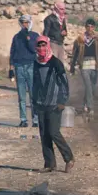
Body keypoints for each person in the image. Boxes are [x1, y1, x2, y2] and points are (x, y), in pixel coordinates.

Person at [32, 36, 75, 173]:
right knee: (44, 134)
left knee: (53, 132)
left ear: (48, 46)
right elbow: (35, 83)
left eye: (44, 45)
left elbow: (64, 82)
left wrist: (62, 101)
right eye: (39, 45)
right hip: (41, 103)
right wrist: (34, 101)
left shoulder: (56, 63)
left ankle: (69, 158)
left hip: (55, 103)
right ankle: (49, 164)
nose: (41, 48)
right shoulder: (36, 63)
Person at [70, 18, 98, 118]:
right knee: (88, 86)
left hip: (94, 65)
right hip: (84, 65)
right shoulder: (80, 39)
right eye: (88, 26)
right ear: (85, 27)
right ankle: (91, 108)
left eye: (91, 26)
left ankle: (85, 105)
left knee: (93, 87)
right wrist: (72, 67)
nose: (89, 28)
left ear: (94, 27)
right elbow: (74, 54)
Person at [9, 15, 39, 128]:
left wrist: (28, 39)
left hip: (31, 66)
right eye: (23, 23)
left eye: (27, 22)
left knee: (33, 95)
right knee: (21, 96)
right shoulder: (16, 37)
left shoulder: (35, 36)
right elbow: (12, 53)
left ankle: (35, 119)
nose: (25, 25)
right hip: (19, 67)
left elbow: (34, 49)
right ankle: (23, 119)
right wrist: (11, 69)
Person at [43, 0, 68, 68]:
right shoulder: (49, 19)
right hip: (52, 43)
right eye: (61, 9)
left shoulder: (62, 19)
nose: (63, 11)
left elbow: (65, 30)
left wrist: (65, 33)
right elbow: (45, 33)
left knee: (60, 64)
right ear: (56, 9)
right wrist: (46, 46)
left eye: (64, 9)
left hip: (60, 43)